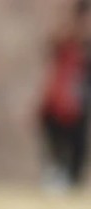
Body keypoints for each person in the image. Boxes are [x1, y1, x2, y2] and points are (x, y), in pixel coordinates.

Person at [39, 0, 91, 190]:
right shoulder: (66, 42)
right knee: (56, 162)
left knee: (78, 160)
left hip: (80, 108)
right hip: (60, 106)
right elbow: (53, 41)